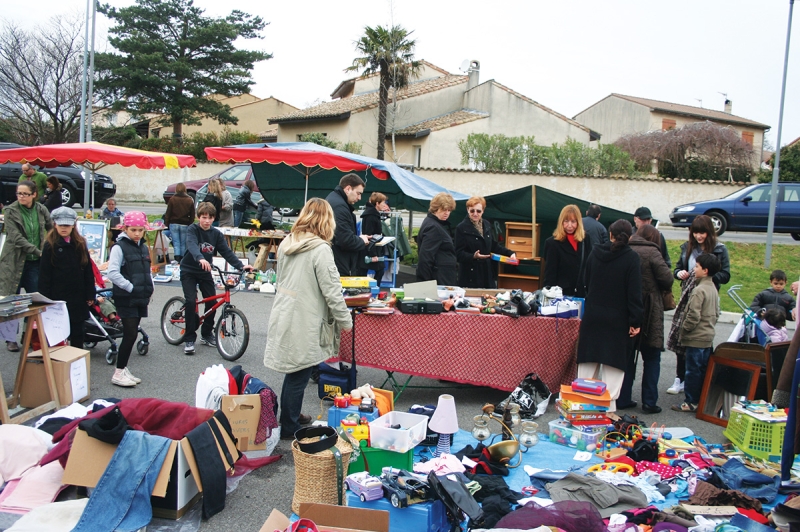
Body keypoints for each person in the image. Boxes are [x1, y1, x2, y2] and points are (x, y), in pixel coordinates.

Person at [263, 198, 352, 438]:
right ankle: (289, 425)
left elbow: (281, 279)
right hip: (304, 317)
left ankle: (291, 416)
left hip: (286, 311)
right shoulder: (320, 249)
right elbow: (332, 290)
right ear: (326, 221)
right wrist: (346, 321)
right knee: (299, 374)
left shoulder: (287, 242)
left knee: (296, 372)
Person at [576, 219, 644, 412]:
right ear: (629, 237)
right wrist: (635, 320)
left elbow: (585, 281)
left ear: (610, 234)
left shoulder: (594, 253)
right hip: (618, 321)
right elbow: (634, 293)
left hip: (593, 316)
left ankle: (580, 413)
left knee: (587, 371)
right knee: (612, 375)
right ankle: (607, 414)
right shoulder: (631, 258)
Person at [666, 214, 731, 395]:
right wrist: (680, 273)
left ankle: (700, 382)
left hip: (707, 294)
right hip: (688, 293)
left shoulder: (719, 249)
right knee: (682, 336)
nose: (699, 237)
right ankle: (680, 377)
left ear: (709, 232)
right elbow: (677, 268)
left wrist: (707, 275)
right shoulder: (687, 247)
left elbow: (725, 275)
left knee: (701, 337)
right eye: (696, 233)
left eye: (702, 233)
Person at [180, 202, 253, 355]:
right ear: (198, 217)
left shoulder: (216, 234)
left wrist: (241, 266)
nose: (206, 221)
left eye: (210, 218)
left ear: (214, 219)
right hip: (189, 270)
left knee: (212, 302)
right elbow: (192, 245)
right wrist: (200, 258)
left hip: (205, 272)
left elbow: (227, 252)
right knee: (191, 301)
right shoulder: (192, 229)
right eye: (204, 217)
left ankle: (206, 334)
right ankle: (189, 338)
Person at [617, 224, 674, 414]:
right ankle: (649, 401)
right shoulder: (653, 252)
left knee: (627, 356)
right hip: (650, 309)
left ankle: (623, 397)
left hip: (627, 307)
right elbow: (667, 279)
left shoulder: (627, 249)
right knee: (651, 357)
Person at [0, 181, 53, 352]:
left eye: (25, 194)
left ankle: (28, 335)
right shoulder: (10, 211)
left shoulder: (41, 209)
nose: (21, 196)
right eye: (19, 193)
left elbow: (51, 228)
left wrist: (55, 245)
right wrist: (39, 252)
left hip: (34, 263)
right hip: (14, 262)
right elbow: (15, 237)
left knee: (34, 301)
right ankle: (10, 339)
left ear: (34, 195)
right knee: (11, 301)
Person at [106, 211, 154, 387]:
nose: (137, 233)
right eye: (133, 229)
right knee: (130, 333)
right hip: (126, 296)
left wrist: (151, 287)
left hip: (141, 295)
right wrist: (130, 287)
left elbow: (147, 269)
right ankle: (118, 372)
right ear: (125, 228)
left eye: (140, 230)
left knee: (132, 333)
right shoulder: (119, 248)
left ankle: (123, 368)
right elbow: (112, 272)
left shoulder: (142, 246)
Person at [38, 207, 95, 349]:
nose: (64, 228)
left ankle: (77, 364)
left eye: (67, 225)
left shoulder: (80, 243)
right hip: (57, 297)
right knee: (57, 334)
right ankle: (58, 365)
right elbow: (44, 275)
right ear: (55, 224)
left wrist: (90, 293)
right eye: (61, 225)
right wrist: (45, 300)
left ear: (73, 226)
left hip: (78, 296)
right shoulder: (50, 245)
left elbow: (88, 270)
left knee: (77, 332)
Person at [671, 253, 721, 412]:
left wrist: (684, 329)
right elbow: (717, 312)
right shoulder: (712, 287)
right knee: (702, 370)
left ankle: (691, 401)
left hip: (695, 338)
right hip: (707, 336)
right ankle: (702, 399)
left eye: (697, 266)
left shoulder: (699, 290)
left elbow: (693, 314)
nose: (694, 269)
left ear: (705, 270)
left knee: (692, 371)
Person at [454, 196, 515, 288]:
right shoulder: (461, 228)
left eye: (478, 211)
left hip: (486, 273)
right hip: (470, 275)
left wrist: (510, 253)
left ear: (483, 211)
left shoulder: (486, 224)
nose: (475, 214)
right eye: (472, 211)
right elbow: (458, 253)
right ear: (467, 210)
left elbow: (494, 245)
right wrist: (473, 256)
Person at [543, 204, 592, 297]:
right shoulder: (552, 243)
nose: (570, 225)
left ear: (578, 223)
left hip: (581, 292)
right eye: (566, 221)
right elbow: (550, 273)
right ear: (561, 222)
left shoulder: (585, 239)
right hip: (560, 294)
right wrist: (549, 293)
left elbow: (589, 265)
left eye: (573, 221)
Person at [326, 174, 370, 276]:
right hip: (338, 264)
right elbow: (345, 240)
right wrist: (361, 240)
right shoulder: (339, 206)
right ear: (348, 189)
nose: (359, 198)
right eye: (358, 193)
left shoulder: (335, 200)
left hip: (335, 259)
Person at [416, 192, 457, 285]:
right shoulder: (433, 227)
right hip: (438, 278)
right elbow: (425, 258)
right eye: (444, 210)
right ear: (435, 208)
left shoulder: (433, 223)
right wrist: (425, 285)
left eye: (449, 210)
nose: (447, 213)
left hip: (440, 276)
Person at [359, 192, 389, 279]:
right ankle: (372, 289)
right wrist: (373, 254)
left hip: (372, 248)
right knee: (378, 271)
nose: (384, 205)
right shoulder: (371, 216)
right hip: (371, 248)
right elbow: (369, 235)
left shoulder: (371, 214)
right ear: (377, 203)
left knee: (365, 271)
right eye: (383, 202)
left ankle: (369, 289)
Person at [163, 182, 195, 263]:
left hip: (174, 223)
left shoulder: (172, 199)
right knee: (183, 243)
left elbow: (168, 213)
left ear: (176, 189)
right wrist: (190, 223)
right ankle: (183, 260)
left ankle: (177, 259)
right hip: (185, 224)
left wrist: (166, 223)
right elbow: (192, 214)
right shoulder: (189, 200)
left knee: (176, 242)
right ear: (185, 189)